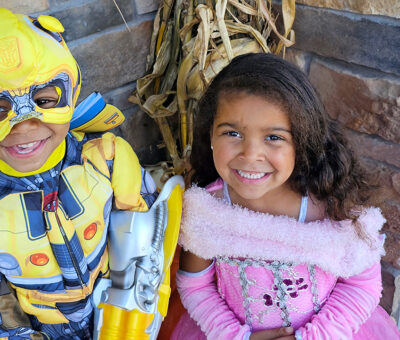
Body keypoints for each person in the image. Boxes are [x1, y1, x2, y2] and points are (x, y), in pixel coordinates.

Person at [171, 53, 400, 340]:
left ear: (302, 141)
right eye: (232, 133)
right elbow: (196, 287)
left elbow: (361, 285)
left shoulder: (331, 205)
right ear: (210, 136)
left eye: (274, 137)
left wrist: (314, 337)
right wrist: (236, 337)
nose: (250, 154)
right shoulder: (207, 210)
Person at [0, 8, 162, 339]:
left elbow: (151, 235)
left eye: (44, 100)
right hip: (40, 329)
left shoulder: (107, 160)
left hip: (119, 315)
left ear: (71, 90)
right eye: (0, 109)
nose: (25, 125)